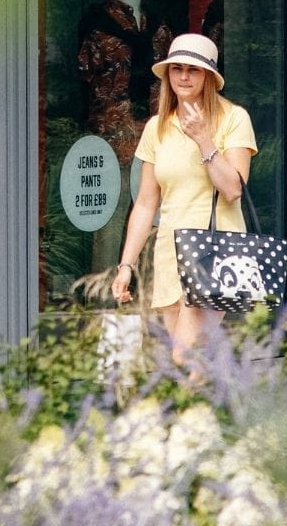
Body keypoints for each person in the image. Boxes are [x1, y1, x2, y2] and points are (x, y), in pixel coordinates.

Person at [109, 33, 255, 361]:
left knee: (185, 358)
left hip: (217, 249)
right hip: (169, 253)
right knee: (185, 365)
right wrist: (126, 265)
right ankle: (220, 409)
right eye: (177, 69)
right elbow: (146, 203)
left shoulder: (233, 118)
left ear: (209, 77)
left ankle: (206, 411)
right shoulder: (157, 127)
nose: (184, 76)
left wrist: (205, 140)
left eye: (194, 70)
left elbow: (234, 189)